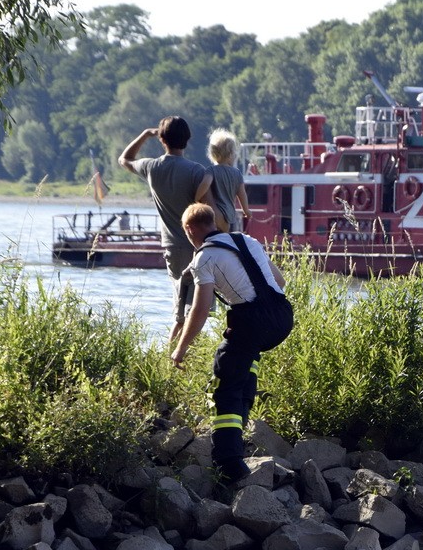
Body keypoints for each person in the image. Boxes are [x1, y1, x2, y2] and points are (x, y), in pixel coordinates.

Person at [170, 203, 293, 485]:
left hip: (252, 320)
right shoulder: (247, 241)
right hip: (283, 316)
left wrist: (181, 348)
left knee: (224, 378)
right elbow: (281, 280)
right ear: (213, 222)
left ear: (190, 229)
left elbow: (200, 309)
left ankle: (229, 463)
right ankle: (241, 419)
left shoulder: (205, 257)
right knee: (241, 360)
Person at [118, 116, 214, 341]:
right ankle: (182, 358)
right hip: (199, 246)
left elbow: (125, 159)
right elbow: (210, 212)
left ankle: (173, 357)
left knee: (181, 312)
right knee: (198, 309)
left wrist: (145, 133)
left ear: (162, 140)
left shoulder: (151, 167)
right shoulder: (197, 172)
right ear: (188, 140)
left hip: (172, 247)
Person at [197, 128, 251, 232]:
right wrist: (246, 210)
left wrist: (196, 197)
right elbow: (242, 194)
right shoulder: (237, 173)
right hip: (229, 216)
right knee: (224, 239)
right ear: (231, 154)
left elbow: (205, 183)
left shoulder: (211, 170)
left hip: (214, 214)